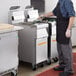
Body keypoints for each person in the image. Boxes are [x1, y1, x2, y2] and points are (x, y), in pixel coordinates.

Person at [39, 0, 75, 76]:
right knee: (60, 48)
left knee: (66, 50)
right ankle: (62, 65)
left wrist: (68, 29)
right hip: (59, 27)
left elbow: (72, 16)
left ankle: (69, 69)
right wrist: (44, 15)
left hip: (65, 27)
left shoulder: (67, 1)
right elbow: (54, 12)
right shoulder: (60, 1)